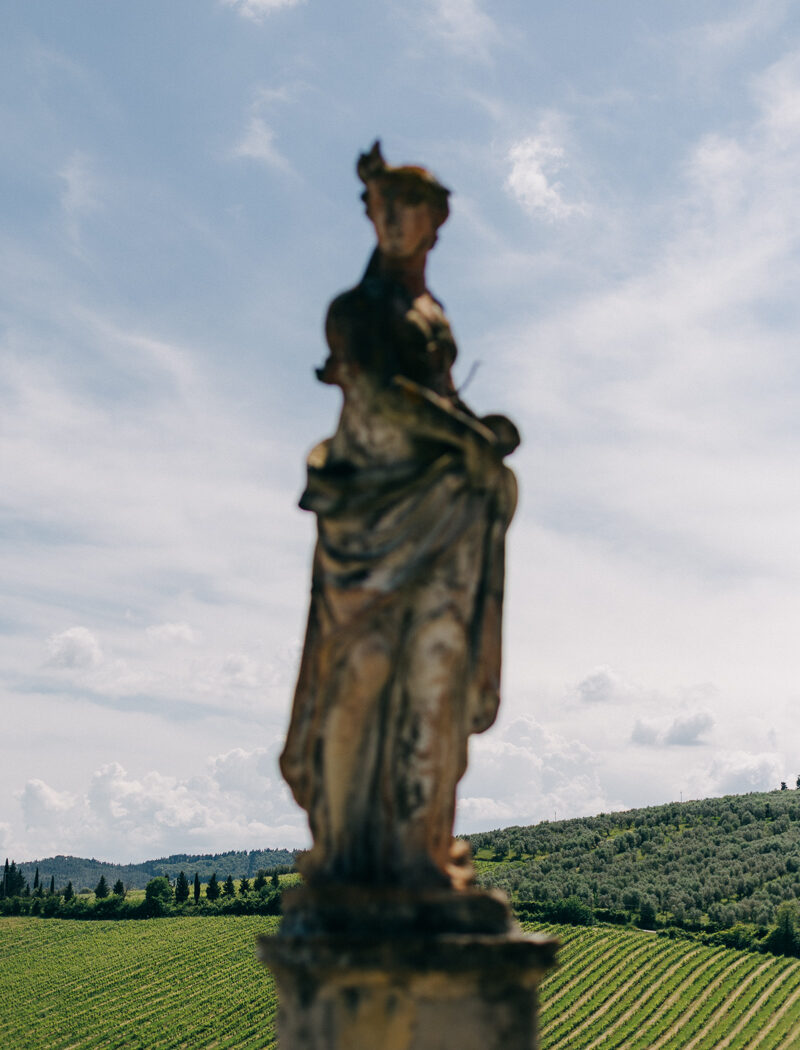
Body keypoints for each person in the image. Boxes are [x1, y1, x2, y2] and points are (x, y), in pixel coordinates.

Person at [280, 142, 519, 890]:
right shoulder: (354, 311)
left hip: (444, 511)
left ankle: (421, 852)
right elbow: (381, 394)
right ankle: (348, 852)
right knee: (361, 670)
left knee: (436, 672)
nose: (392, 219)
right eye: (381, 206)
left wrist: (477, 434)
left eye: (407, 207)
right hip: (368, 513)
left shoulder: (430, 314)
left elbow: (432, 397)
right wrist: (471, 440)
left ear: (434, 223)